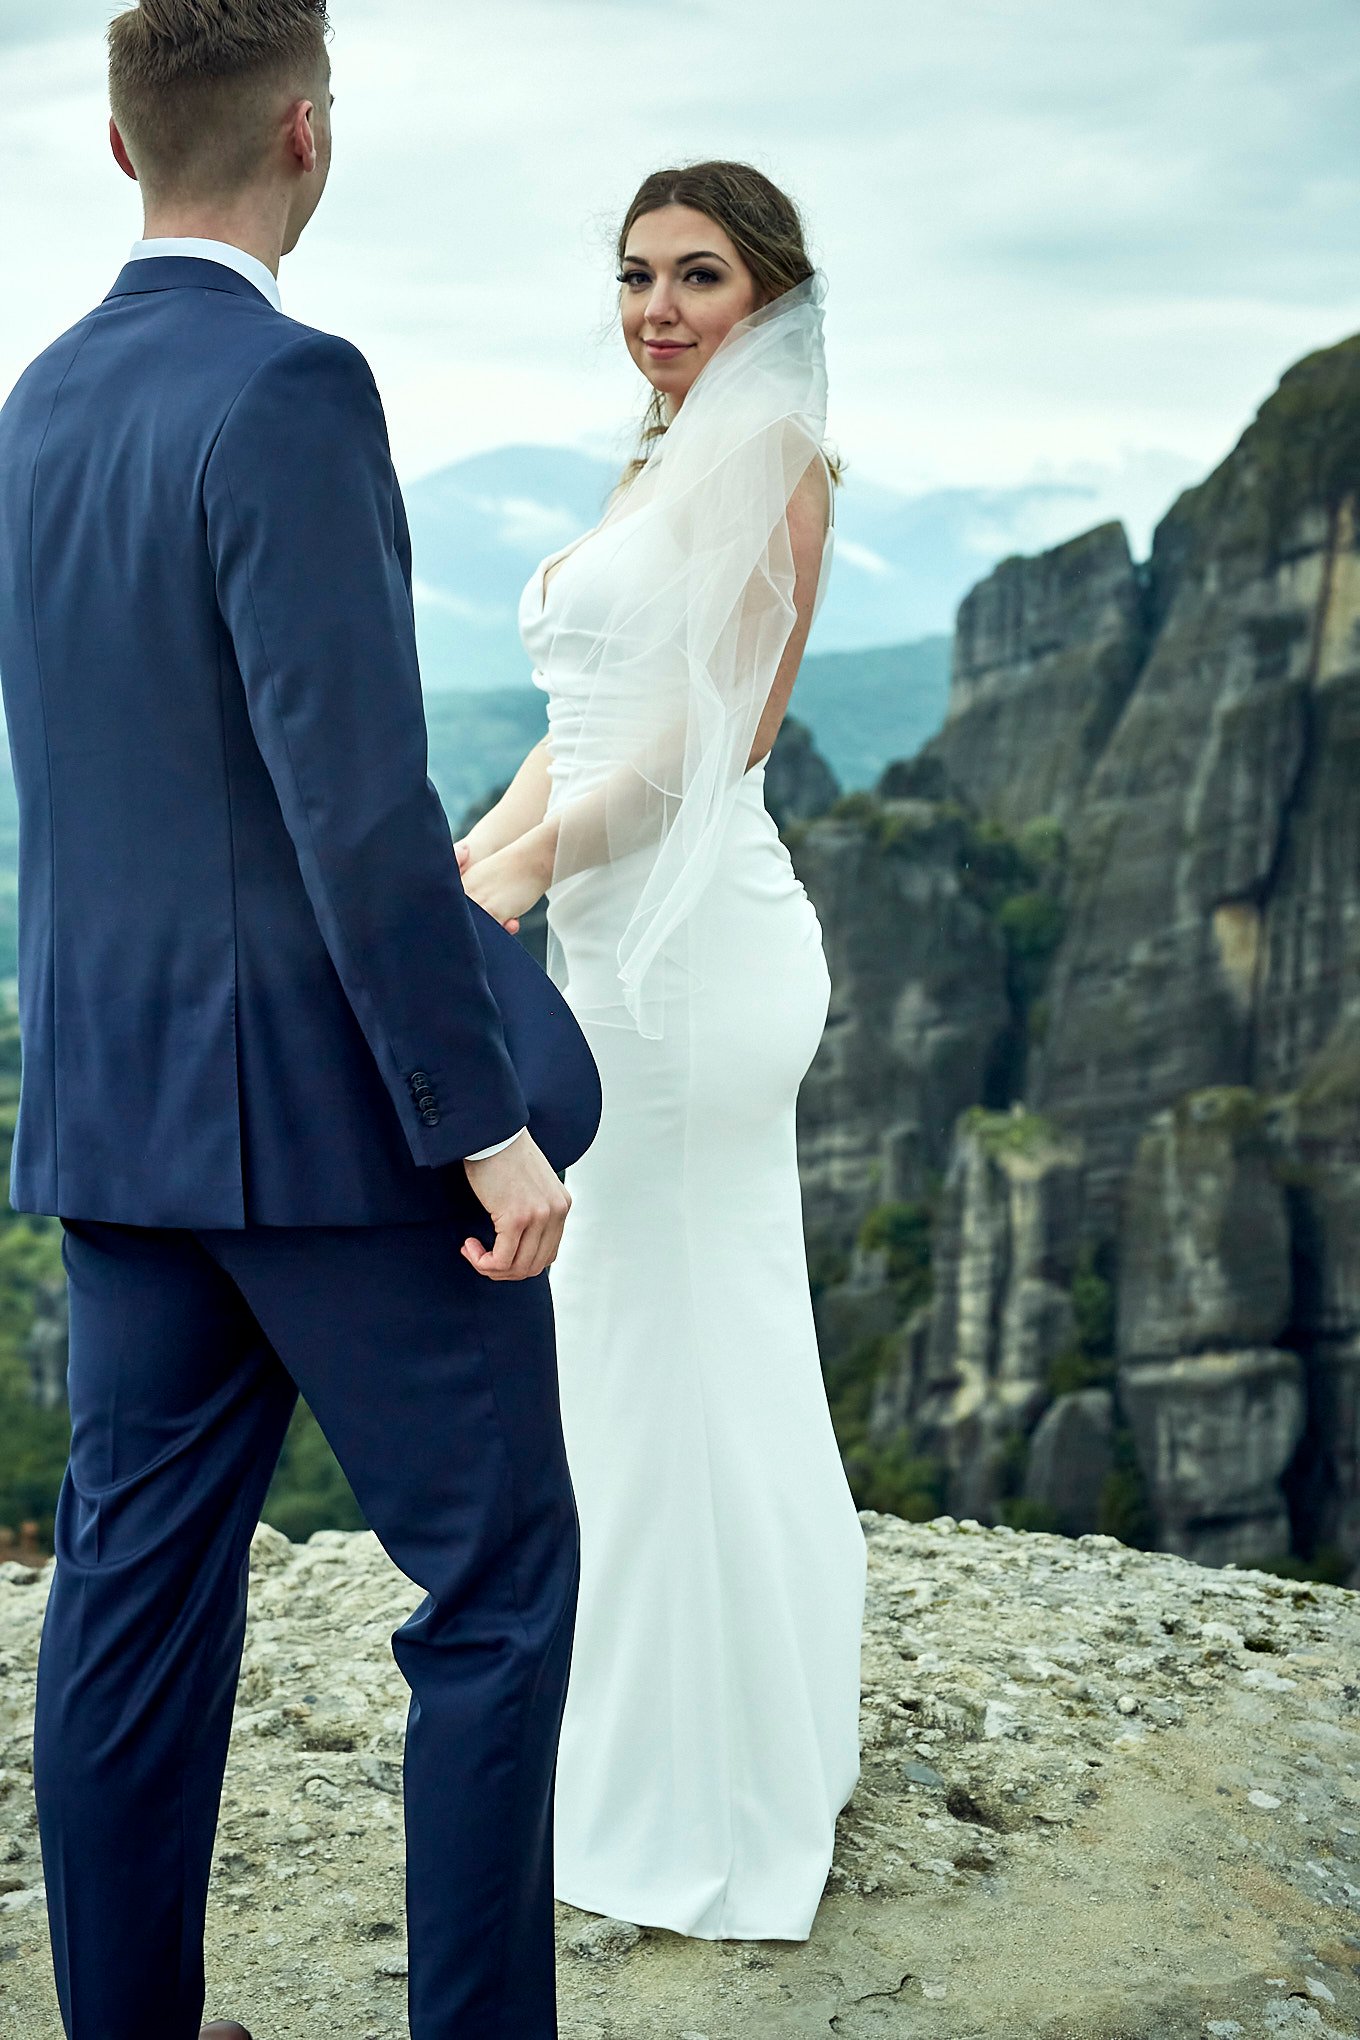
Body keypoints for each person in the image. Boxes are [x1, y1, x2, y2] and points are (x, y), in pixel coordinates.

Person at [0, 3, 597, 2035]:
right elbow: (354, 803)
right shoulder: (294, 387)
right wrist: (482, 1123)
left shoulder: (37, 403)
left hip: (115, 1116)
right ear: (306, 134)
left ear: (112, 142)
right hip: (331, 1133)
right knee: (499, 1589)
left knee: (132, 1607)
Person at [458, 161, 867, 1941]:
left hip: (696, 966)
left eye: (700, 277)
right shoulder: (662, 458)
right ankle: (635, 1733)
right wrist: (471, 858)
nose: (658, 307)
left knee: (677, 1343)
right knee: (629, 1345)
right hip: (614, 946)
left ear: (770, 293)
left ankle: (710, 1788)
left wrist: (533, 869)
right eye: (636, 275)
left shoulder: (777, 466)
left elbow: (711, 736)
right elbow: (580, 717)